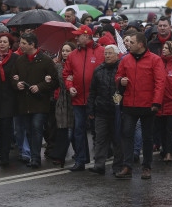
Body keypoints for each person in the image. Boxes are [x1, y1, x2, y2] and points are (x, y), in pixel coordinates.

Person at [115, 32, 166, 180]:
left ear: (141, 44)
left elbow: (160, 83)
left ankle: (147, 167)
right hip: (130, 104)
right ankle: (127, 165)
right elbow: (118, 76)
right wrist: (120, 81)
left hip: (148, 105)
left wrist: (156, 102)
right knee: (127, 133)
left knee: (147, 137)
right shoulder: (126, 60)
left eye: (131, 42)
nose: (128, 44)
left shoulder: (155, 60)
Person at [11, 32, 59, 168]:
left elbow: (55, 81)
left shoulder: (46, 60)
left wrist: (40, 86)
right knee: (29, 130)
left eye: (23, 43)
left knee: (37, 128)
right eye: (21, 43)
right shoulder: (20, 60)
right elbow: (13, 78)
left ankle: (35, 158)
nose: (20, 45)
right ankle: (33, 155)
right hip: (25, 103)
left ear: (32, 44)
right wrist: (17, 84)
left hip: (40, 102)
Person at [63, 25, 105, 171]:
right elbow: (66, 74)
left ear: (87, 36)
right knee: (79, 130)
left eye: (78, 35)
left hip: (96, 100)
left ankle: (100, 161)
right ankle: (81, 160)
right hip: (78, 99)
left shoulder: (101, 51)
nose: (76, 38)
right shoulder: (73, 54)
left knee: (97, 131)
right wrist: (70, 86)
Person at [87, 44, 124, 175]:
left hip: (117, 112)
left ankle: (118, 166)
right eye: (106, 53)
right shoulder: (98, 70)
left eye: (110, 53)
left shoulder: (122, 68)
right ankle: (99, 165)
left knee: (117, 140)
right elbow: (92, 91)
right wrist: (90, 109)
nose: (107, 56)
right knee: (100, 138)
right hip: (101, 110)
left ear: (117, 55)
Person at [0, 33, 18, 166]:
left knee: (6, 125)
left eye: (4, 42)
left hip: (9, 96)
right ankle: (1, 151)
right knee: (0, 126)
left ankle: (5, 154)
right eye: (0, 41)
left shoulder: (15, 58)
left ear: (9, 44)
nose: (1, 44)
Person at [49, 42, 75, 167]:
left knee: (74, 129)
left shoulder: (76, 65)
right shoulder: (58, 66)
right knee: (62, 128)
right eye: (63, 50)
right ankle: (59, 156)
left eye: (68, 50)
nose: (64, 53)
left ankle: (81, 154)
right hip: (61, 100)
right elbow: (54, 82)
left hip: (74, 99)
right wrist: (49, 79)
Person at [155, 40, 172, 163]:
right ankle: (163, 149)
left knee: (170, 129)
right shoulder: (159, 62)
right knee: (161, 128)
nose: (163, 49)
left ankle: (169, 152)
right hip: (160, 102)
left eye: (166, 48)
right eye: (163, 47)